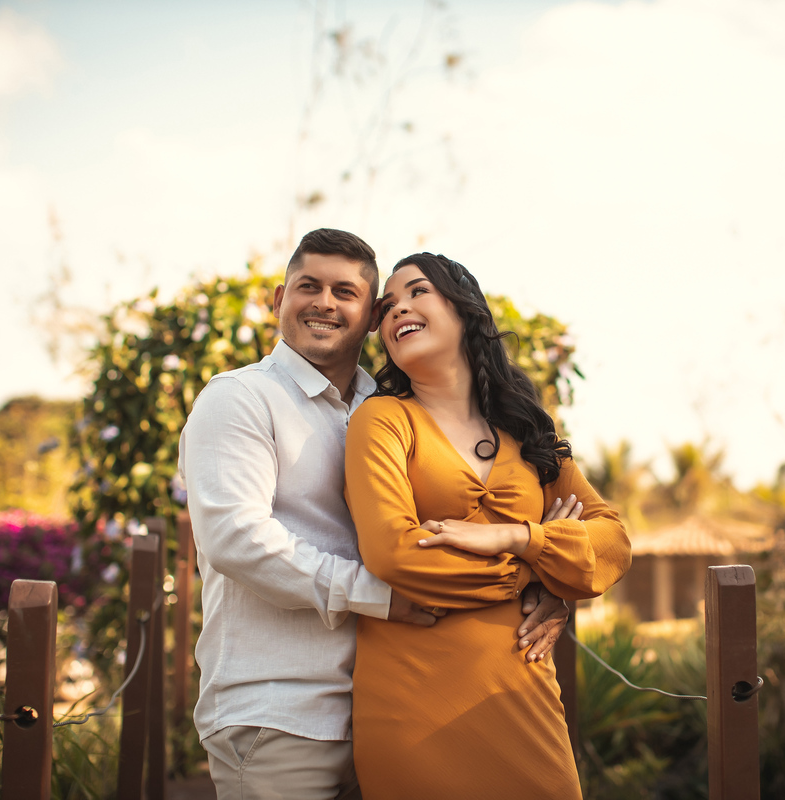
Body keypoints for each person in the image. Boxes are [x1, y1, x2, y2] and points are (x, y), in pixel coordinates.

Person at [178, 230, 569, 800]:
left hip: (385, 709)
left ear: (371, 317)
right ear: (278, 300)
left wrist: (549, 579)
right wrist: (385, 594)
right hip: (279, 711)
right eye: (307, 286)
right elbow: (236, 539)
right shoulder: (239, 398)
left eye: (346, 292)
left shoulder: (389, 411)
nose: (325, 303)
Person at [344, 252, 632, 799]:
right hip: (413, 702)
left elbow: (613, 540)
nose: (397, 308)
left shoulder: (527, 430)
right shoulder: (380, 421)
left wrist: (523, 536)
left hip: (522, 692)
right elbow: (394, 555)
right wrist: (537, 575)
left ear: (463, 308)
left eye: (417, 291)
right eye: (386, 305)